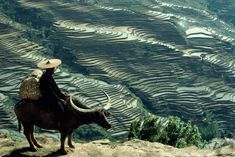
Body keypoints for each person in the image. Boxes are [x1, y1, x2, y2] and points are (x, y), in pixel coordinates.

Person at [37, 59, 67, 125]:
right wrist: (60, 100)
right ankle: (60, 124)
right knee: (60, 108)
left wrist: (62, 94)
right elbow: (50, 92)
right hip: (47, 98)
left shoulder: (49, 76)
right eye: (53, 68)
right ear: (50, 69)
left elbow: (55, 87)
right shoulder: (45, 78)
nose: (54, 70)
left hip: (51, 96)